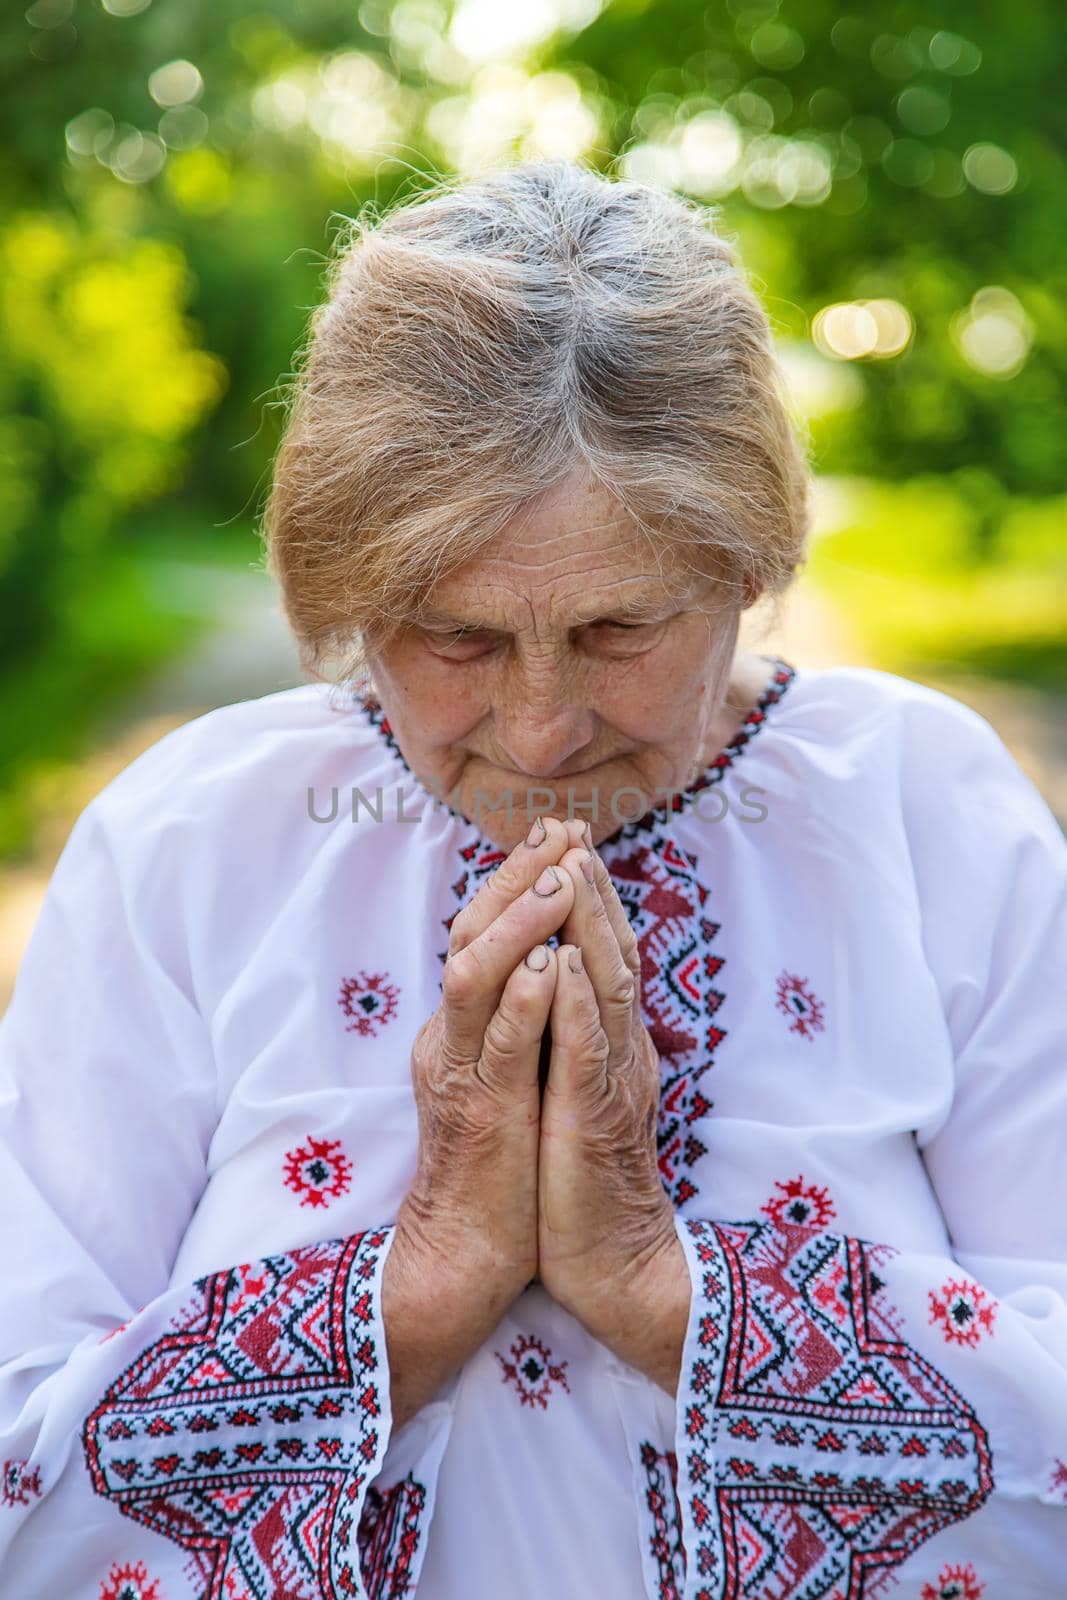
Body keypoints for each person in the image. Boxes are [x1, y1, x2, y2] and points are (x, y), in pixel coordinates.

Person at [1, 159, 1065, 1600]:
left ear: (750, 564)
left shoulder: (929, 813)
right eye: (455, 638)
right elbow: (22, 1485)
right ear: (342, 596)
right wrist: (415, 1291)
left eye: (622, 629)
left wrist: (668, 1291)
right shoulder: (192, 841)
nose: (542, 727)